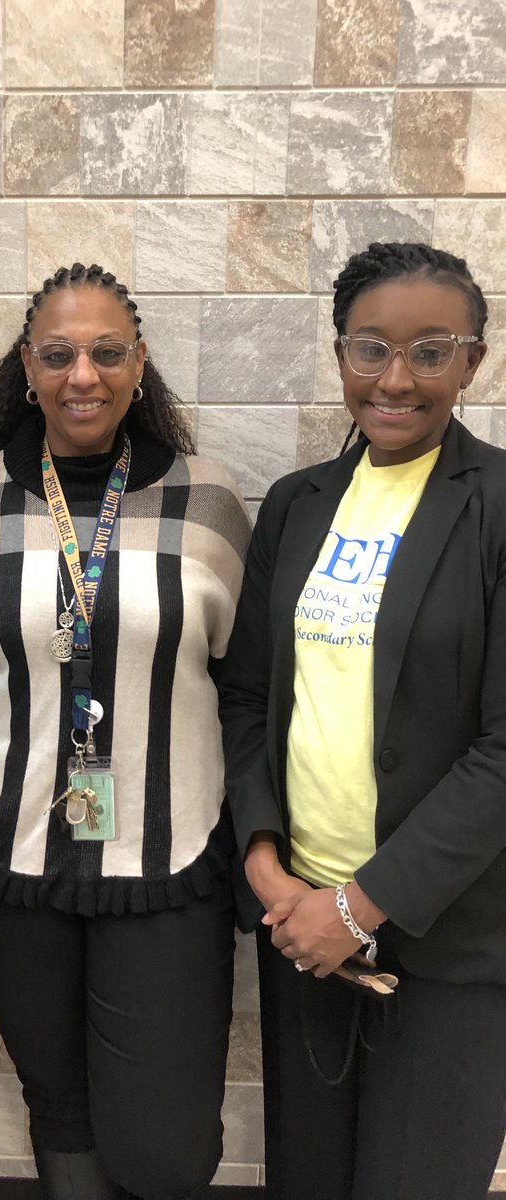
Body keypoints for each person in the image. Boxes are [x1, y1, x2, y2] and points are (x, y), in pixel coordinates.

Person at [0, 263, 250, 1200]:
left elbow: (242, 683)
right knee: (57, 1108)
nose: (82, 374)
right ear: (27, 366)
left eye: (106, 352)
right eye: (58, 355)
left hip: (167, 861)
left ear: (141, 366)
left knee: (166, 1149)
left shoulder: (209, 503)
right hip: (8, 859)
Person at [219, 242, 506, 1200]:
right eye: (368, 348)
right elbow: (251, 695)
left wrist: (362, 905)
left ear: (475, 358)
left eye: (432, 351)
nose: (394, 379)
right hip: (301, 924)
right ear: (338, 353)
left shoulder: (499, 507)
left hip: (452, 937)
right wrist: (264, 855)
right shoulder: (299, 506)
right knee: (309, 1176)